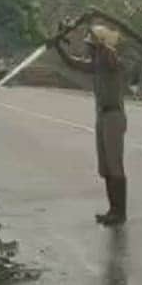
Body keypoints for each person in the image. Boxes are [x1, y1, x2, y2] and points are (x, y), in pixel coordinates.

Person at [54, 23, 127, 225]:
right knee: (105, 166)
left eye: (90, 46)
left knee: (114, 165)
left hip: (113, 116)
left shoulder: (111, 60)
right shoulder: (96, 64)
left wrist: (99, 41)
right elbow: (73, 63)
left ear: (98, 46)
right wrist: (58, 45)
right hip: (102, 116)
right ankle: (112, 209)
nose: (88, 49)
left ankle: (120, 212)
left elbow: (109, 56)